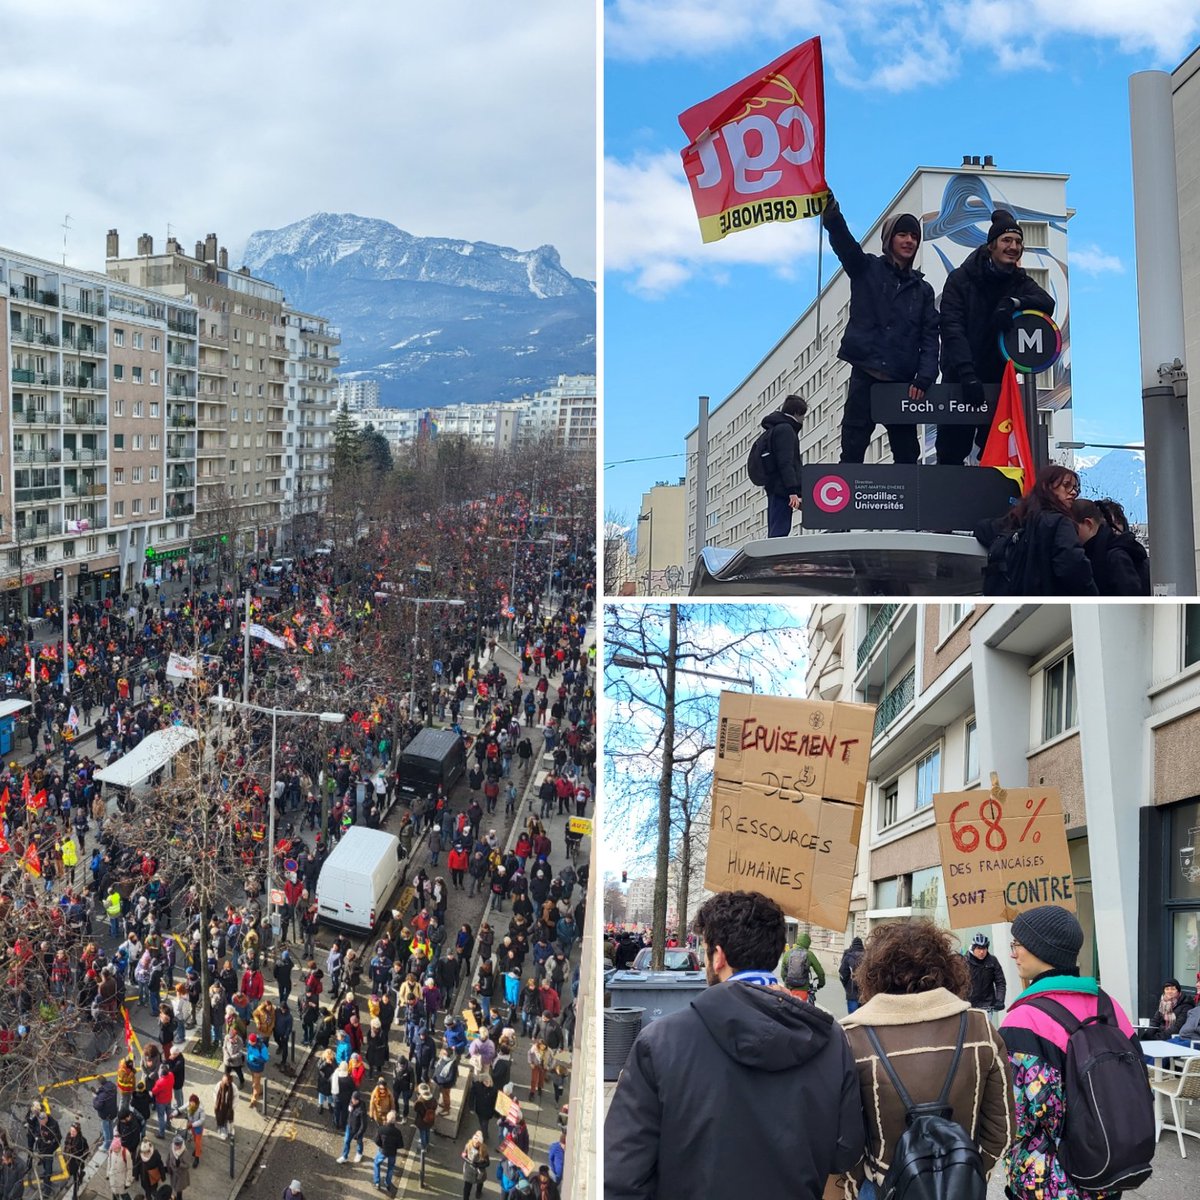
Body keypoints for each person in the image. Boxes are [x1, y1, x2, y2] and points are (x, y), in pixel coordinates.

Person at [604, 889, 865, 1198]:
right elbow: (845, 1153)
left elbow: (621, 1177)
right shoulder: (831, 1039)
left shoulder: (660, 1041)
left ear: (718, 956)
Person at [838, 920, 1014, 1199]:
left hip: (882, 1185)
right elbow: (1001, 1131)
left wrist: (860, 1180)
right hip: (961, 1186)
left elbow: (843, 1138)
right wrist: (969, 1172)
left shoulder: (851, 1037)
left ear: (873, 973)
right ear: (947, 969)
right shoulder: (981, 1028)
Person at [999, 904, 1140, 1199]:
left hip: (1047, 1183)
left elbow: (1015, 1117)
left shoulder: (1023, 1020)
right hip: (1108, 1173)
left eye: (1017, 944)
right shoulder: (1110, 1006)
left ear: (1040, 949)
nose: (1013, 954)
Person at [820, 193, 938, 463]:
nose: (909, 241)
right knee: (852, 448)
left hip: (902, 382)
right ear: (889, 239)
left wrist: (924, 377)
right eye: (902, 234)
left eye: (914, 236)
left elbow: (930, 338)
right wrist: (832, 214)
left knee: (907, 455)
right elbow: (845, 245)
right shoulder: (867, 268)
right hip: (865, 374)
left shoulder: (923, 290)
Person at [936, 208, 1055, 466]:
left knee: (996, 456)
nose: (1013, 247)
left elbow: (1047, 302)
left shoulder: (1019, 281)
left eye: (1018, 242)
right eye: (1006, 240)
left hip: (997, 381)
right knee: (951, 453)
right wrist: (967, 374)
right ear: (991, 245)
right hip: (960, 377)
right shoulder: (960, 279)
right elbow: (952, 328)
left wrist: (1013, 303)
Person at [975, 464, 1096, 596]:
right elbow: (1073, 567)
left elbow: (983, 528)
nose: (1073, 493)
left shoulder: (1018, 519)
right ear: (1046, 487)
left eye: (1075, 488)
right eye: (1066, 485)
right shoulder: (1060, 523)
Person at [1072, 499, 1151, 596]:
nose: (1069, 533)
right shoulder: (1099, 550)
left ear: (1088, 524)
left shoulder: (1114, 555)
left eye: (1073, 528)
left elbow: (1130, 596)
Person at [757, 394, 808, 539]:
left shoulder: (774, 429)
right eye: (803, 415)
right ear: (797, 413)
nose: (803, 419)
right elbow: (786, 462)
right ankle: (776, 555)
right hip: (782, 489)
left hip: (775, 487)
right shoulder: (786, 430)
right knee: (780, 532)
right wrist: (792, 491)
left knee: (776, 529)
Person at [965, 932, 1007, 1019]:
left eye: (984, 948)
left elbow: (1000, 982)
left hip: (987, 1006)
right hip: (969, 1006)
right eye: (979, 948)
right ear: (973, 948)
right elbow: (958, 983)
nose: (981, 952)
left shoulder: (992, 961)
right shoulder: (964, 961)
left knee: (985, 1027)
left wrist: (1000, 1000)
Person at [782, 931, 825, 1001]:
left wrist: (787, 982)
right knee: (801, 1006)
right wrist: (821, 983)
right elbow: (820, 972)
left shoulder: (788, 953)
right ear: (808, 943)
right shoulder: (809, 954)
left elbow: (783, 973)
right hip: (803, 988)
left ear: (797, 941)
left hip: (789, 988)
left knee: (788, 1005)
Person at [337, 1090, 366, 1164]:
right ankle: (344, 1156)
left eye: (354, 1100)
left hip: (358, 1129)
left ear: (358, 1100)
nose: (353, 1101)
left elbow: (364, 1124)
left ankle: (359, 1153)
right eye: (352, 1099)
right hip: (349, 1126)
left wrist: (358, 1134)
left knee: (359, 1142)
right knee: (346, 1141)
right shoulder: (351, 1102)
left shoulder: (362, 1110)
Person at [838, 935, 865, 1013]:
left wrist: (846, 985)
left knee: (852, 1017)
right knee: (863, 1016)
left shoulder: (848, 957)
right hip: (865, 992)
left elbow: (842, 973)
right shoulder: (868, 956)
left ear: (852, 945)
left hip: (852, 992)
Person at [461, 1130, 489, 1200]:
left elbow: (487, 1163)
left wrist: (479, 1165)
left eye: (477, 1143)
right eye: (474, 1142)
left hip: (480, 1171)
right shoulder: (468, 1145)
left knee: (480, 1182)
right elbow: (463, 1156)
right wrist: (470, 1162)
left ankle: (478, 1192)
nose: (475, 1144)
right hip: (469, 1170)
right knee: (467, 1187)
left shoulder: (484, 1149)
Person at [212, 1071, 236, 1141]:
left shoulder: (233, 1087)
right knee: (221, 1117)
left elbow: (236, 1097)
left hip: (229, 1107)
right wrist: (217, 1102)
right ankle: (222, 1130)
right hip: (220, 1106)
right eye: (226, 1082)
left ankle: (229, 1130)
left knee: (228, 1118)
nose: (227, 1083)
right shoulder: (219, 1085)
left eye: (228, 1082)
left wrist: (232, 1106)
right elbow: (215, 1093)